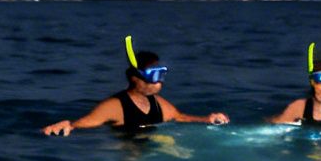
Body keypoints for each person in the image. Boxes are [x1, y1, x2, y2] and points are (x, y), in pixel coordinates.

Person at [44, 37, 229, 135]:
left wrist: (207, 119)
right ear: (135, 78)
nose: (158, 81)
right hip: (127, 154)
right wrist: (68, 125)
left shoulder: (160, 104)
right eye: (152, 75)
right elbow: (85, 123)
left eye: (161, 74)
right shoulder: (115, 106)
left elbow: (180, 117)